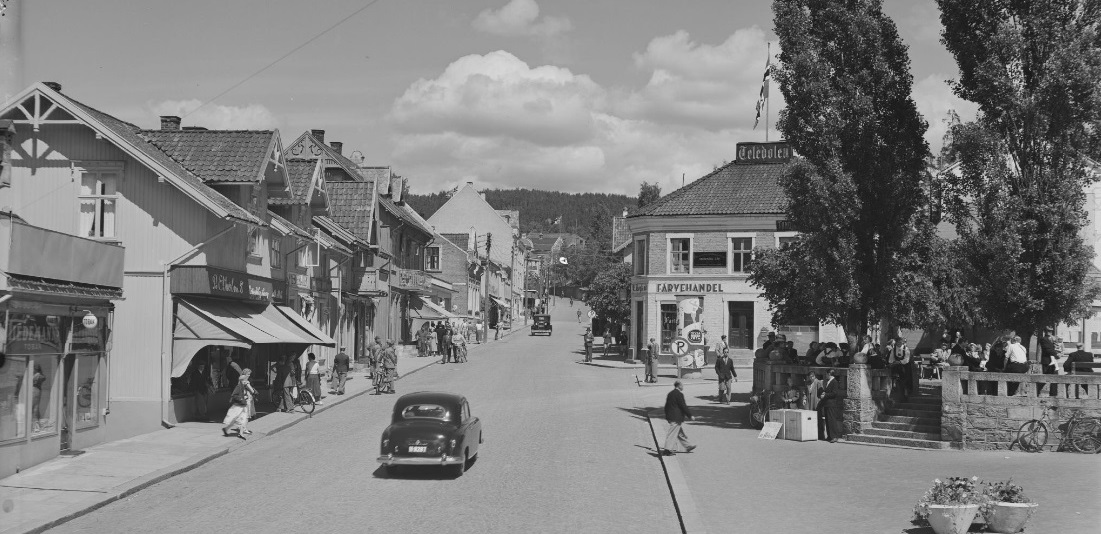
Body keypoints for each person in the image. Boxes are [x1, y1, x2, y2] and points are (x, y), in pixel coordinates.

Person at [661, 380, 695, 455]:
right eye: (682, 385)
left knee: (679, 433)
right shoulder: (679, 394)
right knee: (672, 434)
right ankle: (667, 449)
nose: (683, 387)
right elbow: (683, 406)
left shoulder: (670, 393)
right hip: (676, 418)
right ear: (679, 386)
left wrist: (667, 416)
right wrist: (690, 415)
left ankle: (688, 446)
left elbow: (666, 406)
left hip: (671, 416)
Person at [222, 369, 255, 439]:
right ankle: (239, 431)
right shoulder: (240, 386)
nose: (249, 376)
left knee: (242, 418)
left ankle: (239, 433)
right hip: (240, 405)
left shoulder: (243, 385)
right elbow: (234, 395)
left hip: (243, 404)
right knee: (239, 418)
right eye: (248, 374)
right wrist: (242, 398)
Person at [818, 369, 844, 442]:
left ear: (829, 374)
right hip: (827, 403)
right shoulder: (828, 382)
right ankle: (830, 436)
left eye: (826, 374)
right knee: (827, 420)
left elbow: (834, 393)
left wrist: (825, 395)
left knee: (832, 420)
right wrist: (824, 394)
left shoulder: (834, 382)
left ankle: (834, 436)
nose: (826, 376)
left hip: (831, 403)